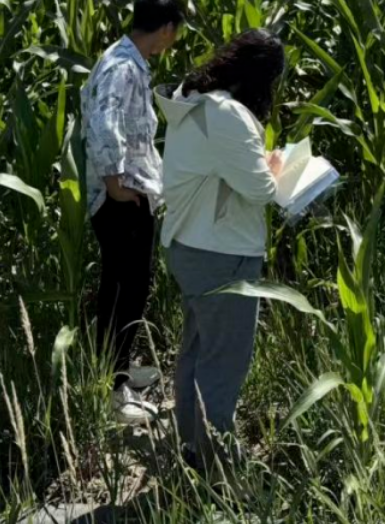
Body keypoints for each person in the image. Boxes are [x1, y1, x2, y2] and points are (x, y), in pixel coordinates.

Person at [155, 29, 287, 472]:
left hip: (188, 246)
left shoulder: (193, 101)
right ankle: (218, 466)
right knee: (224, 361)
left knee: (196, 351)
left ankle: (192, 446)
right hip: (222, 253)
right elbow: (261, 189)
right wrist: (275, 164)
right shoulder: (228, 115)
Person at [81, 0, 186, 426]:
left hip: (129, 190)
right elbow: (103, 123)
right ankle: (112, 390)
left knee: (125, 286)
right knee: (126, 289)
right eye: (176, 31)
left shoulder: (126, 59)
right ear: (166, 29)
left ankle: (116, 370)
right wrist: (115, 183)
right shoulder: (123, 66)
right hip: (121, 196)